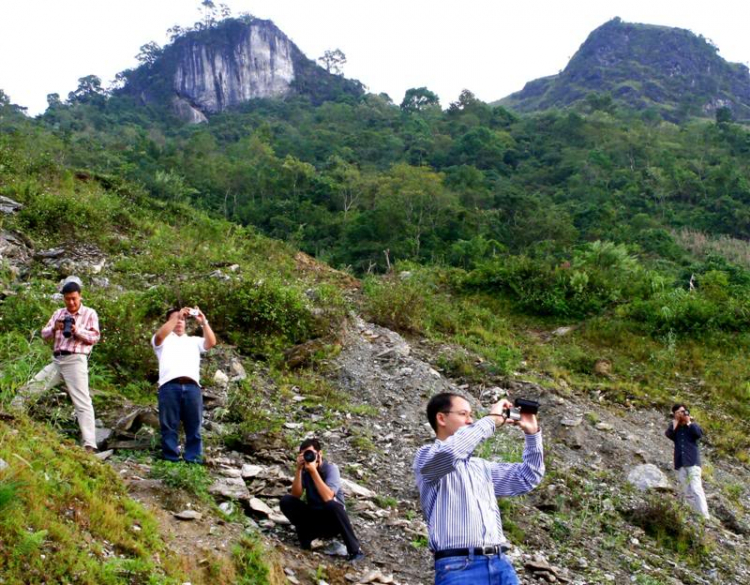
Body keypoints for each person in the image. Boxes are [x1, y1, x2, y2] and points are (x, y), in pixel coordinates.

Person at [414, 393, 544, 585]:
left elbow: (527, 477)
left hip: (501, 564)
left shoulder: (481, 467)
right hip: (459, 567)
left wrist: (532, 434)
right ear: (441, 418)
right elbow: (450, 452)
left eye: (471, 415)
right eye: (464, 414)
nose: (471, 420)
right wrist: (491, 420)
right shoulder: (427, 458)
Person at [10, 279, 101, 452]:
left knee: (82, 401)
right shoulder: (59, 313)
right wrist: (55, 328)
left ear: (80, 296)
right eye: (67, 299)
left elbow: (94, 338)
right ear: (63, 299)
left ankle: (90, 444)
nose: (71, 302)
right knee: (30, 388)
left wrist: (76, 331)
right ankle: (13, 418)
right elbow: (44, 334)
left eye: (74, 298)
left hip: (75, 360)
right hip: (57, 360)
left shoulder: (90, 313)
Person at [280, 438, 365, 562]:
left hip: (333, 521)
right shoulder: (304, 471)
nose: (308, 457)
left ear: (320, 454)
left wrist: (314, 471)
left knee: (333, 505)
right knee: (287, 501)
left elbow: (328, 497)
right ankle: (306, 539)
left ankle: (355, 551)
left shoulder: (330, 469)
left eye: (310, 453)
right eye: (304, 454)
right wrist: (298, 470)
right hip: (314, 518)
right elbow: (295, 495)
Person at [152, 307, 216, 463]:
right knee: (169, 425)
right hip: (169, 386)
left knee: (194, 426)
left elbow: (211, 342)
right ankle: (170, 459)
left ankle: (193, 460)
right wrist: (176, 316)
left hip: (192, 387)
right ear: (169, 322)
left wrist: (203, 322)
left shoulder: (193, 341)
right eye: (175, 319)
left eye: (182, 319)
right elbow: (160, 335)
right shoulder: (163, 340)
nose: (179, 322)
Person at [665, 403, 709, 519]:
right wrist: (675, 422)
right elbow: (668, 434)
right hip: (680, 463)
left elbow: (699, 434)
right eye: (678, 412)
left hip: (693, 461)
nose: (681, 414)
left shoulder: (692, 426)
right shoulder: (675, 429)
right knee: (686, 490)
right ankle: (695, 514)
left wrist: (688, 421)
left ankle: (705, 516)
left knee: (696, 488)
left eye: (682, 411)